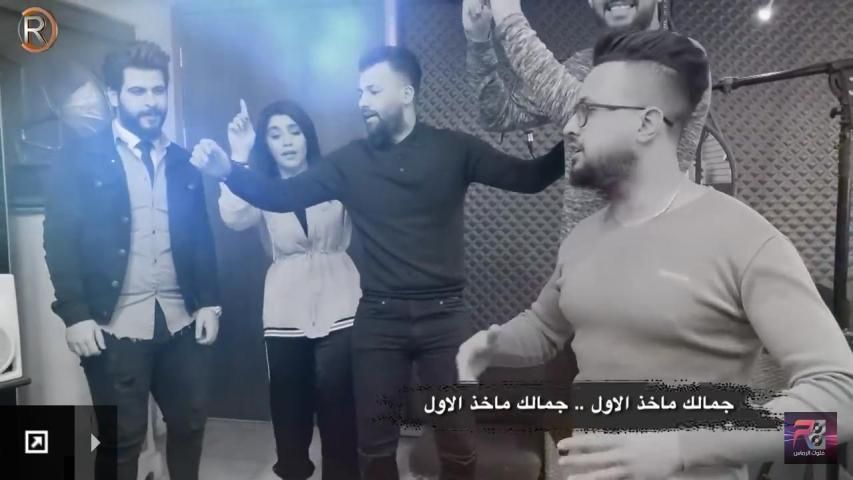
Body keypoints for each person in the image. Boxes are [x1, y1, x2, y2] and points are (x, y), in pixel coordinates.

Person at [456, 29, 853, 479]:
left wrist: (684, 449)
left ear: (646, 123)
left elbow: (841, 410)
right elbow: (546, 328)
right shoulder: (581, 238)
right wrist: (492, 345)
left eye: (587, 111)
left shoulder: (746, 240)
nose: (568, 127)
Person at [191, 45, 565, 480]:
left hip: (444, 320)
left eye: (372, 90)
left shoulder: (456, 149)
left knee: (458, 443)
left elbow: (531, 178)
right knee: (374, 446)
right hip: (378, 320)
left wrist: (577, 135)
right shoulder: (350, 162)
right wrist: (229, 170)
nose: (362, 101)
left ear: (406, 93)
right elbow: (280, 195)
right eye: (359, 92)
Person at [43, 41, 221, 480]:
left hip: (181, 321)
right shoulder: (79, 158)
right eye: (138, 91)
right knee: (121, 439)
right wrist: (75, 314)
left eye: (158, 91)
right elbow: (60, 240)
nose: (151, 102)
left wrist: (210, 302)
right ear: (114, 95)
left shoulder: (183, 161)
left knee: (189, 426)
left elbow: (200, 236)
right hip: (113, 325)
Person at [463, 0, 712, 239]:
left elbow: (601, 123)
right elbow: (498, 115)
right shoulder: (583, 63)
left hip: (648, 255)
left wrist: (509, 17)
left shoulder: (683, 57)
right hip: (579, 253)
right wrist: (478, 40)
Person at [218, 99, 361, 480]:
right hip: (285, 308)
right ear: (265, 143)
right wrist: (238, 155)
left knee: (339, 407)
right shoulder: (261, 188)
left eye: (295, 132)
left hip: (342, 302)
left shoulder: (335, 178)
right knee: (289, 409)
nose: (287, 142)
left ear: (307, 137)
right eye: (275, 135)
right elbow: (233, 217)